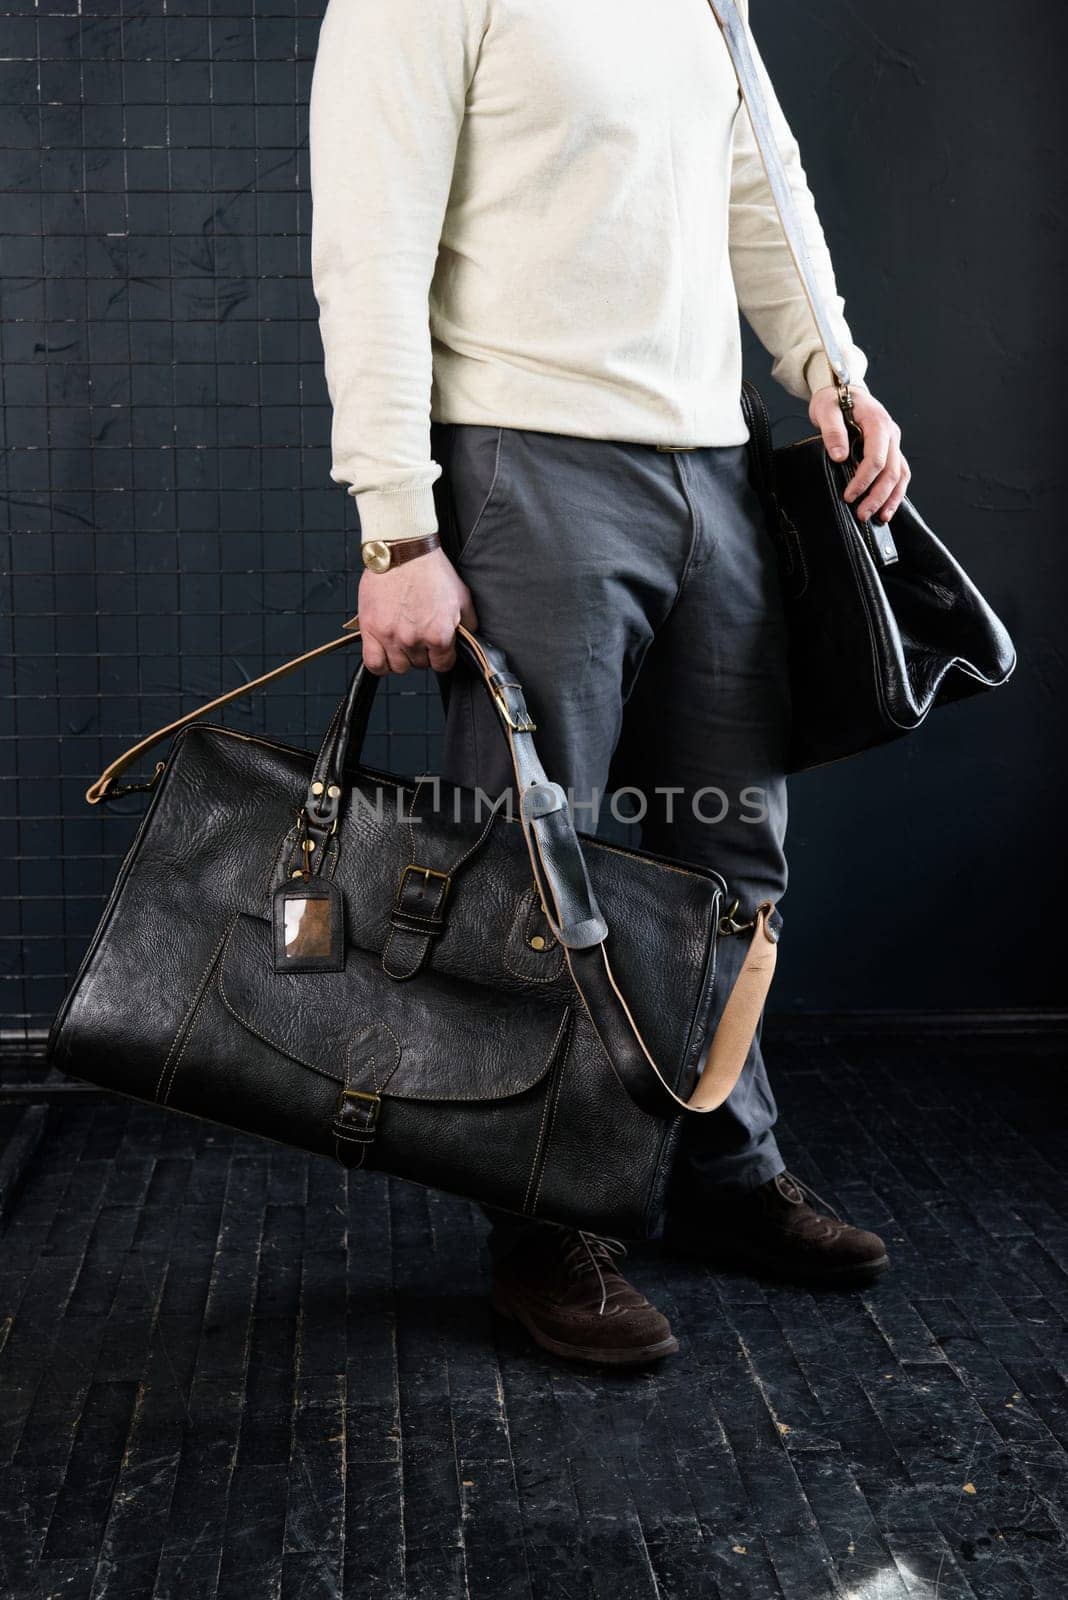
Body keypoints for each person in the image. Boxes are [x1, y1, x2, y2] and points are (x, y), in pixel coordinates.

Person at [308, 0, 905, 1365]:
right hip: (528, 458)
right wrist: (397, 521)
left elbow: (757, 174)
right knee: (530, 873)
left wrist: (832, 373)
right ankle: (539, 1226)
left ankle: (726, 1180)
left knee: (731, 857)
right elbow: (371, 243)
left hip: (717, 468)